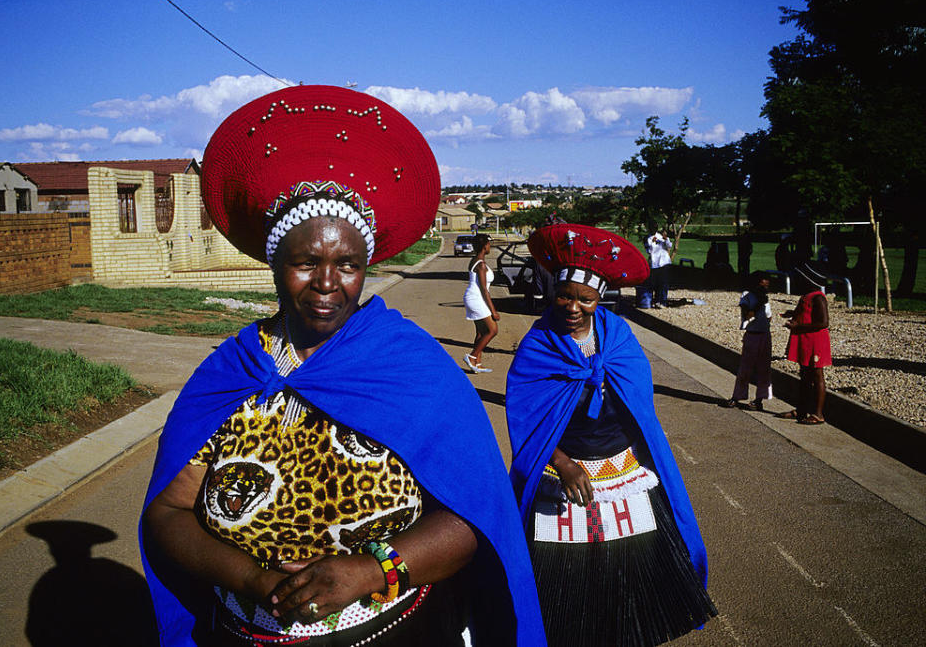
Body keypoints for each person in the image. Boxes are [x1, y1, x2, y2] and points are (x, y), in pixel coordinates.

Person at [139, 85, 544, 647]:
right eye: (306, 262)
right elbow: (168, 513)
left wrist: (371, 571)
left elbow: (476, 516)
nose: (328, 283)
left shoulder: (410, 368)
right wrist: (252, 579)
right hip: (246, 629)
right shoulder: (235, 370)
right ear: (275, 264)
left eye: (348, 264)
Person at [506, 224, 717, 647]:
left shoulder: (617, 336)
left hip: (623, 469)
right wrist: (563, 464)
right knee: (566, 580)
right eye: (565, 295)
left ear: (600, 299)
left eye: (585, 299)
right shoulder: (539, 344)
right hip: (564, 471)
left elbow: (637, 401)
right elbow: (528, 420)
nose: (572, 307)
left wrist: (645, 454)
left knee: (632, 573)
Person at [778, 267, 832, 425]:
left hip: (815, 341)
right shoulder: (808, 296)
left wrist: (798, 327)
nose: (797, 281)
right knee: (805, 375)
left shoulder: (818, 298)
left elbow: (823, 323)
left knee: (817, 374)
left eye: (800, 278)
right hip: (806, 340)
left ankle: (818, 414)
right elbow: (806, 314)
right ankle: (801, 409)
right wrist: (793, 314)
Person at [724, 271, 772, 411]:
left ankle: (759, 400)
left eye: (767, 287)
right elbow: (747, 315)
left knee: (763, 369)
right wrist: (759, 305)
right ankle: (737, 396)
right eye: (762, 286)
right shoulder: (747, 296)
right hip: (752, 334)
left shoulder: (765, 299)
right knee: (745, 368)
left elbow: (769, 317)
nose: (765, 289)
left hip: (764, 335)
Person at [462, 234, 500, 373]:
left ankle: (477, 363)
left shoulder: (476, 260)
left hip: (474, 297)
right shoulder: (481, 264)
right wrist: (493, 311)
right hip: (477, 298)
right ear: (485, 246)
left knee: (481, 332)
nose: (490, 247)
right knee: (492, 330)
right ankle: (472, 357)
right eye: (489, 244)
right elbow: (484, 290)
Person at [645, 229, 672, 308]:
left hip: (664, 262)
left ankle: (663, 302)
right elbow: (648, 251)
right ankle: (657, 301)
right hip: (654, 264)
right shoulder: (647, 238)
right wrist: (652, 242)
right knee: (655, 283)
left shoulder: (661, 236)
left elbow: (669, 246)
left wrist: (666, 239)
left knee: (664, 283)